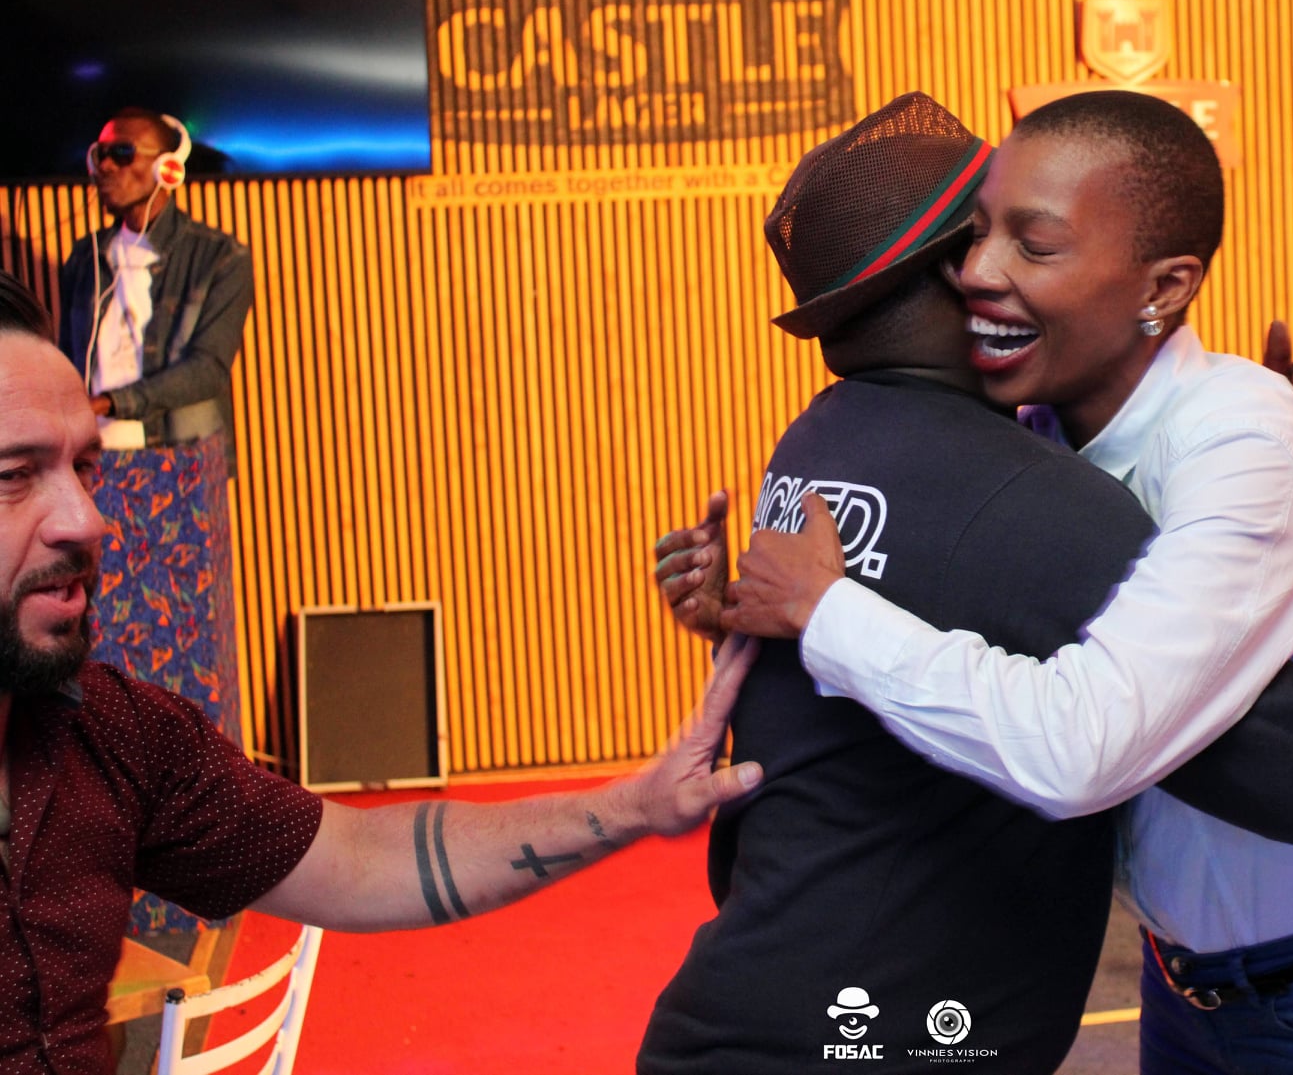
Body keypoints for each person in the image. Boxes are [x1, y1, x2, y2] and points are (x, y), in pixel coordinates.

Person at [640, 93, 1293, 1074]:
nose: (984, 271)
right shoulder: (1037, 451)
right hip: (1178, 984)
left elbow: (1191, 758)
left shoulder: (855, 440)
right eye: (977, 239)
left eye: (1030, 243)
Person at [0, 269, 760, 1075]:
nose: (87, 518)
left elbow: (359, 856)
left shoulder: (116, 734)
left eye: (85, 466)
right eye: (14, 474)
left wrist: (635, 803)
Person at [57, 108, 252, 465]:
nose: (106, 167)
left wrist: (111, 403)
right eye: (100, 155)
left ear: (167, 168)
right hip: (93, 456)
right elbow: (68, 356)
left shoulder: (220, 257)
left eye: (122, 153)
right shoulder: (87, 256)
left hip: (180, 459)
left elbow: (207, 370)